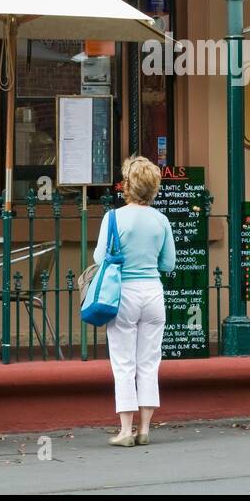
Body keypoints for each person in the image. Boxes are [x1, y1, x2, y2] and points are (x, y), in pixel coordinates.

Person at [94, 155, 175, 447]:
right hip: (152, 292)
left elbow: (99, 258)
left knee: (124, 362)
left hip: (124, 292)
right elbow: (168, 263)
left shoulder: (113, 217)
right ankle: (145, 428)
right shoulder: (161, 220)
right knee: (149, 361)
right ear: (153, 187)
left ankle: (125, 430)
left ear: (127, 185)